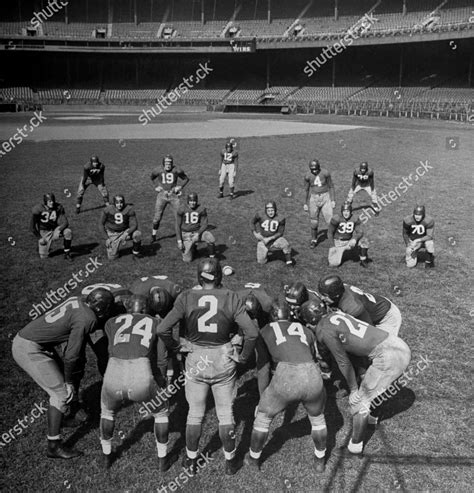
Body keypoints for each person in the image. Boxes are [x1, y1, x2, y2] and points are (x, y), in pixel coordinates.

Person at [156, 258, 258, 475]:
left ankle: (191, 461)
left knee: (194, 414)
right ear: (219, 275)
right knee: (225, 414)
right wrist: (243, 357)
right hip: (223, 357)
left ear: (199, 276)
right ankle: (230, 461)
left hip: (196, 357)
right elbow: (252, 332)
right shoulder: (231, 296)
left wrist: (177, 347)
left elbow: (162, 329)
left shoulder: (185, 296)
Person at [11, 289, 114, 459]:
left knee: (62, 386)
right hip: (29, 348)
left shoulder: (77, 300)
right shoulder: (88, 318)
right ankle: (54, 445)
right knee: (61, 394)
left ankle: (65, 417)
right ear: (101, 308)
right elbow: (71, 355)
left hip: (34, 342)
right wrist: (68, 381)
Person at [300, 300, 411, 456]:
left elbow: (343, 361)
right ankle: (372, 419)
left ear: (310, 320)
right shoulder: (336, 314)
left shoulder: (324, 330)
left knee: (359, 402)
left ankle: (355, 447)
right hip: (394, 343)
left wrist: (353, 390)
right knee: (369, 386)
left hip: (390, 356)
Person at [246, 299, 327, 472]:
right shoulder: (306, 330)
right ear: (289, 314)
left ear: (273, 315)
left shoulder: (265, 330)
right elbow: (313, 356)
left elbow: (263, 368)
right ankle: (320, 460)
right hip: (311, 372)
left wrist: (262, 398)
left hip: (287, 375)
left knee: (263, 417)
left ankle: (254, 459)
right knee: (318, 418)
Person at [99, 295, 178, 470]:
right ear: (146, 310)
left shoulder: (111, 322)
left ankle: (106, 456)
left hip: (114, 369)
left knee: (107, 412)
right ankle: (162, 459)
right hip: (140, 372)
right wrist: (162, 380)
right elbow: (162, 359)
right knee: (161, 412)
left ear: (128, 308)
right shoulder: (157, 322)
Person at [318, 274, 402, 337]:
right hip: (372, 305)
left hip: (385, 316)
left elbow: (369, 331)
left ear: (335, 294)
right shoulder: (339, 291)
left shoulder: (352, 307)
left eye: (325, 295)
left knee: (383, 346)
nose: (322, 298)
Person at [150, 154, 190, 243]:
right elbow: (152, 177)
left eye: (170, 162)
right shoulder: (158, 170)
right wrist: (156, 186)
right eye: (166, 162)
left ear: (172, 163)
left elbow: (186, 179)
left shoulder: (177, 170)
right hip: (162, 195)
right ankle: (153, 235)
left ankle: (181, 236)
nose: (168, 164)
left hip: (173, 195)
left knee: (178, 216)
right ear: (163, 163)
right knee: (157, 217)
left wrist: (180, 187)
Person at [31, 193, 73, 262]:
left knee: (68, 232)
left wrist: (59, 229)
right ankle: (41, 247)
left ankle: (67, 253)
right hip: (44, 232)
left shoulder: (58, 207)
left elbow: (66, 222)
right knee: (44, 257)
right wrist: (39, 238)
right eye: (50, 201)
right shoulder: (38, 209)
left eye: (53, 200)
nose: (52, 202)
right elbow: (32, 227)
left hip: (54, 230)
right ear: (45, 201)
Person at [303, 159, 335, 248]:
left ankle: (334, 238)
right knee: (314, 221)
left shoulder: (325, 173)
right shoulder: (307, 176)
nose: (314, 171)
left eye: (316, 169)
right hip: (314, 197)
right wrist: (305, 203)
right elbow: (306, 190)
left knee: (330, 220)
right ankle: (314, 239)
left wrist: (333, 200)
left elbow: (331, 186)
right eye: (312, 169)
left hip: (325, 197)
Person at [99, 194, 142, 260]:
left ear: (124, 202)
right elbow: (101, 224)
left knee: (137, 234)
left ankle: (136, 253)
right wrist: (106, 238)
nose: (120, 205)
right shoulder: (108, 210)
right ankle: (114, 248)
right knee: (112, 258)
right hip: (112, 233)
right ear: (114, 203)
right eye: (117, 203)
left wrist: (127, 233)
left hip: (124, 231)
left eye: (121, 202)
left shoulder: (129, 209)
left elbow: (134, 225)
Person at [251, 201, 294, 267]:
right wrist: (255, 234)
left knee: (285, 244)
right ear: (265, 210)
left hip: (275, 239)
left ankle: (289, 261)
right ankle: (266, 254)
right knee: (261, 262)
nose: (270, 212)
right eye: (268, 210)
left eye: (272, 210)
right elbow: (252, 222)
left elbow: (280, 232)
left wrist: (270, 238)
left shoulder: (280, 218)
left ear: (275, 210)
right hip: (263, 240)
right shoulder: (260, 215)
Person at [176, 192, 216, 262]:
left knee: (210, 238)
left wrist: (198, 233)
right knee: (187, 260)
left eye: (194, 201)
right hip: (186, 234)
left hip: (197, 232)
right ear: (188, 201)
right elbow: (177, 225)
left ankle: (212, 258)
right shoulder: (182, 209)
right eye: (191, 201)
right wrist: (179, 241)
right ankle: (193, 248)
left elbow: (204, 224)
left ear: (197, 201)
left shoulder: (201, 209)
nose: (193, 203)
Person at [328, 202, 370, 268]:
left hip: (349, 242)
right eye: (344, 211)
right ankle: (338, 254)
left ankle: (363, 260)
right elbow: (330, 232)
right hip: (338, 242)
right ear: (341, 211)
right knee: (333, 264)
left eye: (347, 211)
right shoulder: (336, 218)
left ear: (350, 211)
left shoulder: (355, 218)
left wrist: (354, 239)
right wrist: (332, 245)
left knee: (364, 240)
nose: (346, 213)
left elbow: (360, 232)